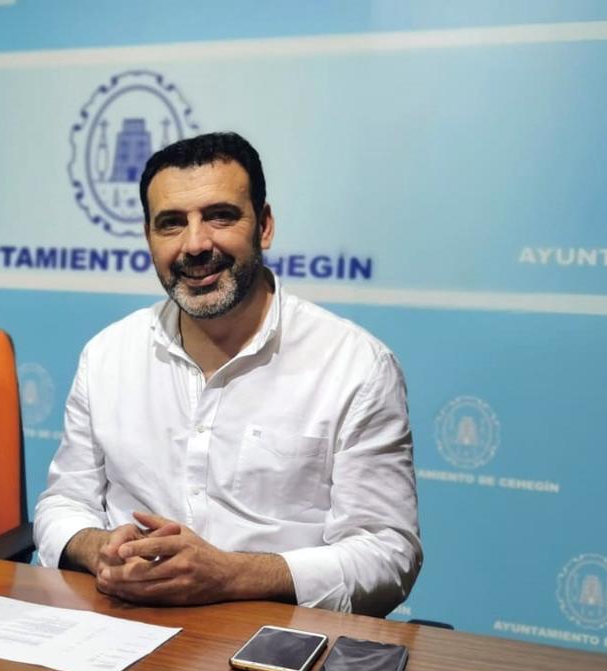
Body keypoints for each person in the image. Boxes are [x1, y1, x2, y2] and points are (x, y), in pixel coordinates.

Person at [33, 132, 420, 617]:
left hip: (276, 636)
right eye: (171, 224)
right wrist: (101, 548)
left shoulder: (356, 366)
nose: (195, 245)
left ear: (265, 226)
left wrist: (230, 574)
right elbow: (61, 505)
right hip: (123, 628)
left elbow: (387, 555)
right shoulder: (107, 354)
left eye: (220, 216)